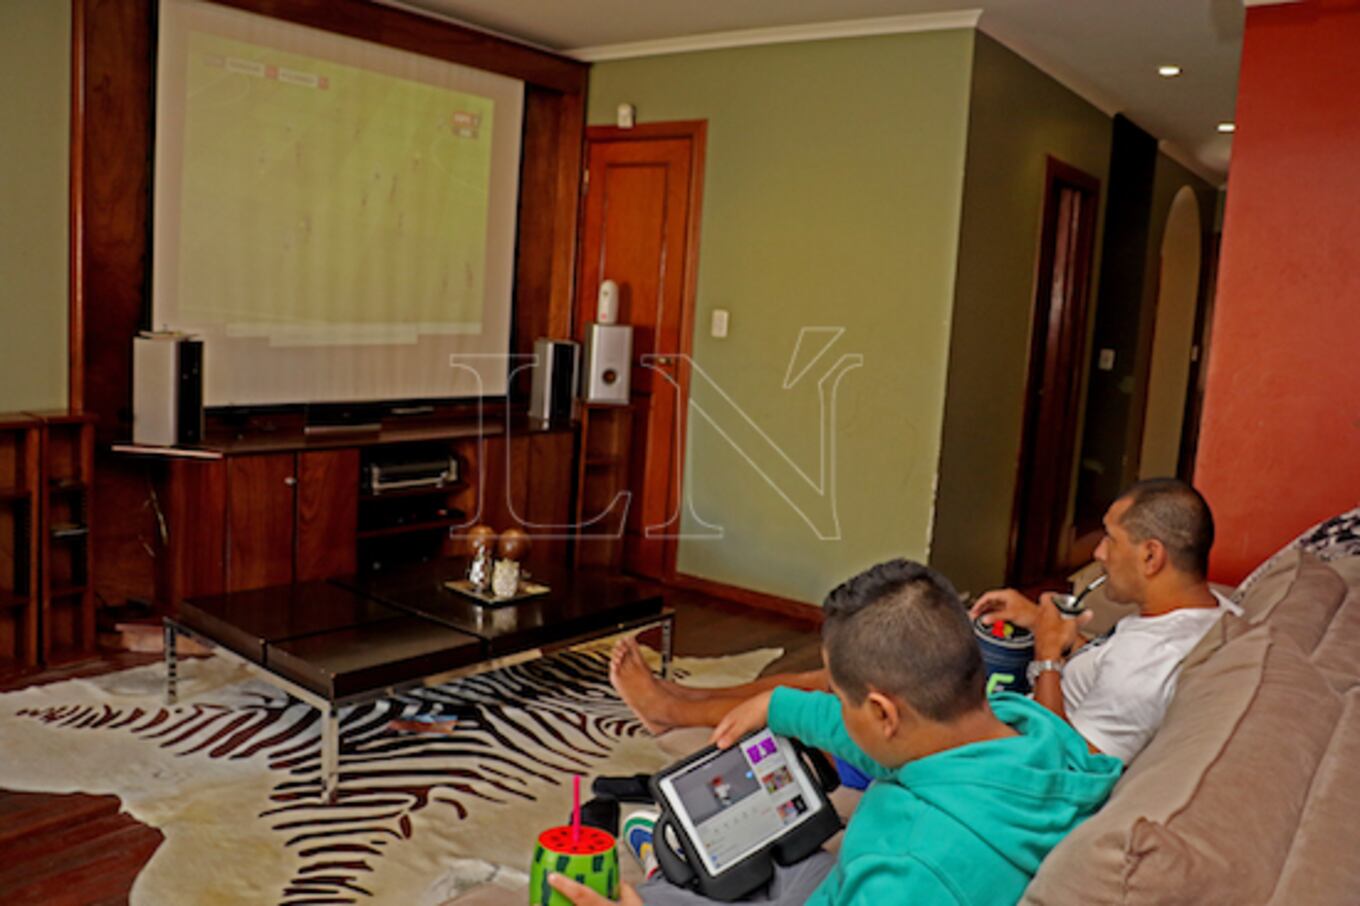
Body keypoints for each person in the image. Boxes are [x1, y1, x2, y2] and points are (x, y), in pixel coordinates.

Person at [552, 559, 1121, 906]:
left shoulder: (912, 868)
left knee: (670, 892)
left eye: (841, 701)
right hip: (846, 880)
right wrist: (778, 705)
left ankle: (659, 866)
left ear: (883, 713)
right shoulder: (1031, 729)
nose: (837, 712)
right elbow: (899, 751)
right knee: (770, 856)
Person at [612, 478, 1238, 765]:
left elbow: (1061, 764)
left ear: (1152, 556)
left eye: (1111, 540)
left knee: (866, 673)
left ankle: (683, 711)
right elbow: (1121, 667)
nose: (1099, 553)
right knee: (872, 656)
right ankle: (689, 701)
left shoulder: (1152, 667)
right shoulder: (1212, 615)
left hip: (1002, 736)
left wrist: (1048, 656)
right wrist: (1053, 630)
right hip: (1016, 703)